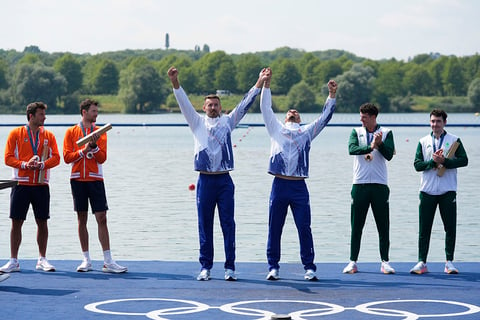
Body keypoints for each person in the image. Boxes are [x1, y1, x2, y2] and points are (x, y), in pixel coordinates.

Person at [167, 66, 268, 281]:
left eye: (216, 105)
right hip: (204, 181)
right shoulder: (196, 123)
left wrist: (259, 82)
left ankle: (230, 267)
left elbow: (245, 104)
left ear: (221, 107)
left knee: (228, 224)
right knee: (204, 224)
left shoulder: (228, 122)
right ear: (204, 107)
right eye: (210, 105)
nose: (213, 108)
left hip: (224, 180)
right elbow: (183, 103)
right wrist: (175, 82)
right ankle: (206, 267)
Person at [260, 68, 337, 281]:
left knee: (304, 227)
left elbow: (324, 118)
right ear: (285, 119)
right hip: (279, 185)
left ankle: (309, 267)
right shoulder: (275, 129)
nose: (292, 112)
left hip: (299, 187)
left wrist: (331, 96)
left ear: (300, 119)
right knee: (275, 228)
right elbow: (265, 107)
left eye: (296, 112)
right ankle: (273, 267)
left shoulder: (306, 132)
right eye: (289, 112)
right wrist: (266, 85)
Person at [63, 99, 127, 273]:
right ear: (84, 112)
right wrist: (84, 150)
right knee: (81, 219)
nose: (96, 114)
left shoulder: (100, 132)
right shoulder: (71, 132)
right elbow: (67, 157)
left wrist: (94, 146)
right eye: (93, 111)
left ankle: (108, 261)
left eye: (96, 111)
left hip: (95, 179)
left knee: (102, 218)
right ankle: (86, 260)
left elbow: (102, 158)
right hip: (77, 179)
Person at [1, 102, 60, 273]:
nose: (45, 117)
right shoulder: (16, 133)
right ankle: (13, 260)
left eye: (44, 114)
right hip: (21, 183)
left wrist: (42, 165)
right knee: (16, 222)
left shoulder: (48, 135)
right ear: (31, 116)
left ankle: (42, 259)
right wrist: (25, 164)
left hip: (41, 184)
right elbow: (8, 158)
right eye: (41, 114)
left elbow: (56, 158)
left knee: (42, 221)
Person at [410, 109, 468, 275]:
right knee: (424, 228)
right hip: (427, 191)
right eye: (433, 121)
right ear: (430, 123)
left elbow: (464, 161)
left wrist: (446, 161)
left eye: (438, 121)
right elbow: (417, 165)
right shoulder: (423, 141)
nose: (435, 124)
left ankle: (449, 262)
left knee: (449, 227)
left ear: (445, 123)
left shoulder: (454, 140)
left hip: (447, 190)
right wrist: (432, 163)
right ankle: (422, 262)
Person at [343, 103, 396, 275]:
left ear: (373, 117)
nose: (361, 119)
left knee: (383, 225)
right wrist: (370, 147)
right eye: (361, 117)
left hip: (380, 185)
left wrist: (379, 145)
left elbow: (389, 155)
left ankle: (385, 262)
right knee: (356, 225)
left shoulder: (386, 133)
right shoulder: (356, 132)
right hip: (359, 184)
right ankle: (352, 261)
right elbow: (351, 149)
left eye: (364, 117)